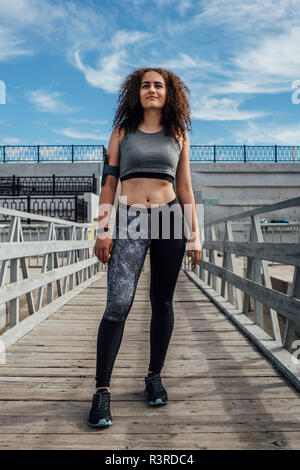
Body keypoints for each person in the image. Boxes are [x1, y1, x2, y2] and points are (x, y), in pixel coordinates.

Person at [88, 67, 202, 428]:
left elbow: (185, 188)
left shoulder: (178, 134)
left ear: (169, 93)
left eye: (158, 85)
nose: (151, 90)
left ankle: (154, 377)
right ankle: (102, 392)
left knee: (163, 301)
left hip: (170, 219)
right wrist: (103, 227)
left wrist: (195, 235)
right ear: (136, 93)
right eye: (145, 85)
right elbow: (109, 184)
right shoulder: (122, 131)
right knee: (118, 304)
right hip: (130, 218)